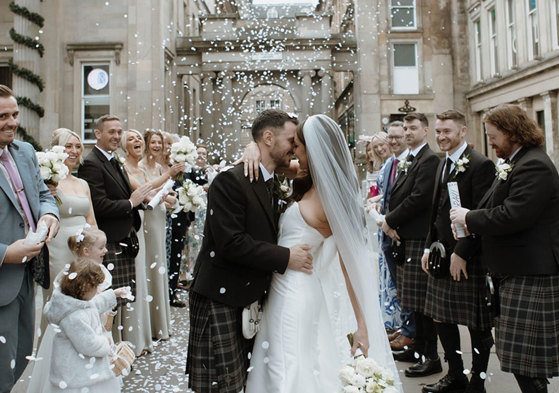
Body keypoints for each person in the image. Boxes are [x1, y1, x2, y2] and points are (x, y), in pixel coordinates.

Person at [245, 114, 401, 393]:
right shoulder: (311, 178)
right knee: (296, 364)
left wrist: (362, 323)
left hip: (295, 292)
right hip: (290, 288)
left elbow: (348, 262)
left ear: (312, 149)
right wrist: (253, 147)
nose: (294, 150)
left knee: (287, 368)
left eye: (298, 145)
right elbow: (276, 164)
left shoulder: (329, 197)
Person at [186, 109, 313, 393]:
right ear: (268, 138)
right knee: (220, 387)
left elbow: (308, 166)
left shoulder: (272, 179)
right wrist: (286, 257)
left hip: (247, 298)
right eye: (291, 140)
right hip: (221, 296)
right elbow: (231, 243)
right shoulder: (230, 181)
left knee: (241, 382)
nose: (295, 147)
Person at [450, 104, 559, 393]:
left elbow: (514, 215)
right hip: (516, 273)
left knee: (528, 364)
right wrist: (467, 225)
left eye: (494, 135)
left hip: (531, 274)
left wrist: (469, 218)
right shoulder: (516, 160)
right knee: (522, 361)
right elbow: (493, 207)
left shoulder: (534, 164)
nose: (491, 142)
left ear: (513, 132)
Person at [420, 110, 495, 393]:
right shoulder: (443, 163)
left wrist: (462, 251)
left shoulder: (481, 165)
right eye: (438, 131)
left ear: (463, 131)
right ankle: (456, 375)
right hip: (441, 253)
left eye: (447, 131)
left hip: (468, 256)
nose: (441, 137)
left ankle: (478, 380)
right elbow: (436, 212)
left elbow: (480, 212)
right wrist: (429, 246)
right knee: (441, 317)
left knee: (476, 324)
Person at [0, 84, 60, 393]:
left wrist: (50, 216)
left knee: (22, 353)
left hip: (29, 273)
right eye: (3, 116)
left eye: (14, 114)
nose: (12, 122)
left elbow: (43, 196)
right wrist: (5, 253)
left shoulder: (24, 152)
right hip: (3, 274)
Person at [380, 112, 440, 377]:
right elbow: (397, 193)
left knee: (423, 304)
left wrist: (388, 221)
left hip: (418, 238)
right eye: (405, 128)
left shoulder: (428, 160)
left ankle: (430, 356)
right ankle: (417, 350)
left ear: (425, 130)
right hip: (405, 238)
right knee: (412, 301)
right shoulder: (411, 159)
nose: (407, 133)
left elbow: (418, 198)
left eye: (412, 128)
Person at [78, 115, 152, 310]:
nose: (116, 136)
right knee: (110, 302)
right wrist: (129, 203)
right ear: (97, 134)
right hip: (109, 240)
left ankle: (120, 341)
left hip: (124, 238)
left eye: (119, 132)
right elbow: (98, 205)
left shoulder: (114, 160)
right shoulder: (92, 163)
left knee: (123, 299)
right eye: (111, 132)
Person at [28, 226, 113, 393]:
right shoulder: (72, 276)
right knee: (77, 366)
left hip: (94, 326)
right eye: (101, 247)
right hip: (80, 330)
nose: (106, 250)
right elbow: (78, 308)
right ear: (87, 250)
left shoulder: (100, 271)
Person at [41, 128, 97, 335]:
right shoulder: (48, 183)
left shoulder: (83, 183)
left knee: (83, 299)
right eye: (68, 146)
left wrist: (95, 249)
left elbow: (91, 220)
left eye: (77, 146)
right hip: (57, 248)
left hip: (83, 250)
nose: (73, 151)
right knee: (59, 298)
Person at [43, 258, 128, 393]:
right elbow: (88, 344)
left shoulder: (74, 303)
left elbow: (93, 305)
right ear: (85, 287)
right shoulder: (73, 316)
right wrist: (105, 342)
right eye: (96, 288)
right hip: (77, 373)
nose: (97, 292)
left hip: (81, 370)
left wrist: (113, 294)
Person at [117, 128, 155, 355]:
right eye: (130, 138)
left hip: (145, 219)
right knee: (136, 277)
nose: (136, 140)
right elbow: (146, 192)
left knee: (143, 276)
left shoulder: (142, 168)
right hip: (134, 223)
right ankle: (133, 337)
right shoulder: (123, 167)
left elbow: (152, 191)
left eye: (138, 137)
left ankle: (142, 334)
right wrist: (171, 176)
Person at [139, 130, 173, 338]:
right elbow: (148, 193)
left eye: (159, 143)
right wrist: (163, 196)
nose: (157, 146)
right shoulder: (141, 167)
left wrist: (170, 198)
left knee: (161, 264)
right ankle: (150, 324)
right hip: (148, 219)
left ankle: (160, 324)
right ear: (146, 144)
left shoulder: (160, 167)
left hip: (161, 218)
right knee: (150, 264)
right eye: (153, 142)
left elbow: (169, 198)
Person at [182, 144, 210, 284]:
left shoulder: (208, 171)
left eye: (204, 154)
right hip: (194, 212)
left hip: (204, 213)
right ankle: (189, 271)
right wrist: (202, 188)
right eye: (199, 153)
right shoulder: (189, 170)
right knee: (192, 241)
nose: (201, 156)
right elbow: (187, 186)